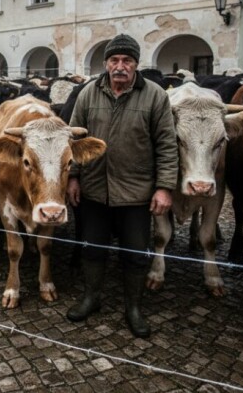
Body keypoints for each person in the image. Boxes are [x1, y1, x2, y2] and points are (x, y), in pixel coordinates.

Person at [65, 34, 177, 338]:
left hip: (136, 192)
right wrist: (74, 176)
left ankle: (133, 307)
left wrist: (164, 186)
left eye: (127, 60)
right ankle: (91, 297)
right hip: (94, 189)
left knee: (135, 254)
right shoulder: (89, 93)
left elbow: (167, 145)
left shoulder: (154, 95)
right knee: (91, 249)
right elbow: (74, 139)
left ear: (136, 65)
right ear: (105, 64)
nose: (120, 66)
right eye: (114, 60)